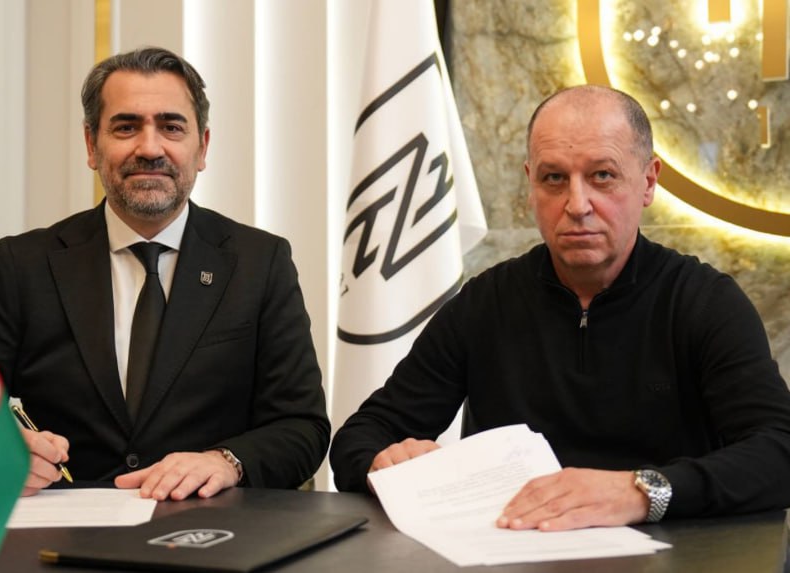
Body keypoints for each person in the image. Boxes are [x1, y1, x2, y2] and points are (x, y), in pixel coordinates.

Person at [329, 85, 790, 530]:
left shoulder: (703, 301)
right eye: (554, 178)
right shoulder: (486, 302)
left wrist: (639, 492)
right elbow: (361, 436)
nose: (577, 204)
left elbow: (778, 451)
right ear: (530, 184)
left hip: (673, 555)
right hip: (515, 549)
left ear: (648, 182)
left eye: (602, 176)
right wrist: (383, 460)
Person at [0, 47, 329, 501]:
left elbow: (302, 427)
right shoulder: (23, 265)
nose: (150, 148)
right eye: (126, 127)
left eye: (171, 127)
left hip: (211, 530)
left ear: (202, 147)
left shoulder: (260, 263)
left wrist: (226, 461)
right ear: (91, 146)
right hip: (62, 532)